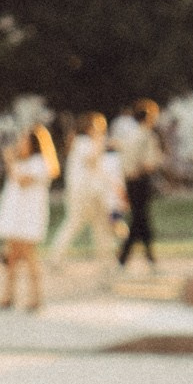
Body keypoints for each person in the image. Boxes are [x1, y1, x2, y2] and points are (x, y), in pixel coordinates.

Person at [0, 124, 56, 311]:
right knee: (11, 257)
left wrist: (10, 161)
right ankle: (8, 295)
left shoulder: (40, 163)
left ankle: (36, 297)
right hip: (14, 215)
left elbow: (22, 181)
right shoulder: (22, 162)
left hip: (29, 216)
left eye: (24, 141)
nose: (20, 144)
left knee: (29, 256)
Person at [50, 112, 126, 271]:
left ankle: (106, 263)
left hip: (95, 192)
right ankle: (55, 259)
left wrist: (113, 185)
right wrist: (100, 142)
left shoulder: (90, 142)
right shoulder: (82, 142)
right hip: (82, 193)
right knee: (74, 224)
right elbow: (92, 161)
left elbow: (100, 169)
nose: (101, 130)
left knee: (101, 226)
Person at [112, 98, 164, 271]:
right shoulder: (147, 136)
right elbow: (149, 163)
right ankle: (130, 257)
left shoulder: (130, 135)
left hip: (130, 180)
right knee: (139, 219)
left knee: (140, 219)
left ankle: (145, 256)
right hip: (141, 180)